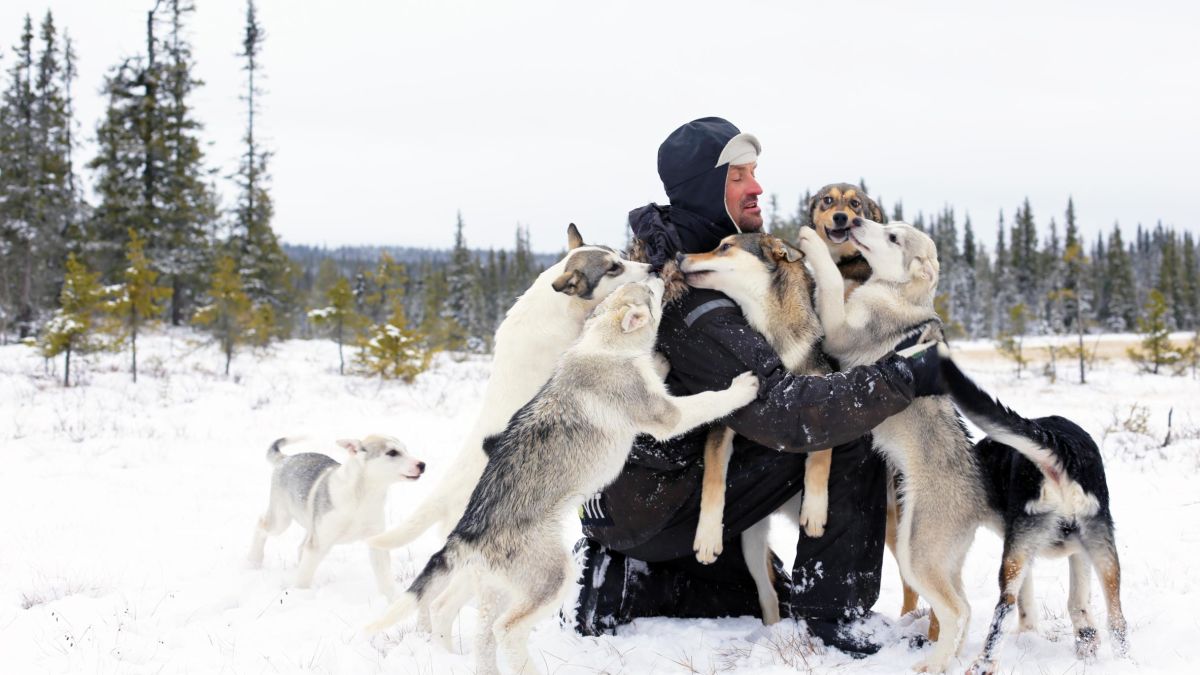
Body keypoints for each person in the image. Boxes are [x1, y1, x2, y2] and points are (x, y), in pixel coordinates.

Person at [571, 117, 944, 656]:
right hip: (655, 505)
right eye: (739, 175)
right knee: (847, 423)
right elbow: (780, 410)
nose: (757, 187)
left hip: (650, 494)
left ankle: (681, 580)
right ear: (706, 186)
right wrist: (901, 375)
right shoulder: (693, 293)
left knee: (838, 405)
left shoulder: (695, 259)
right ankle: (834, 614)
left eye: (755, 173)